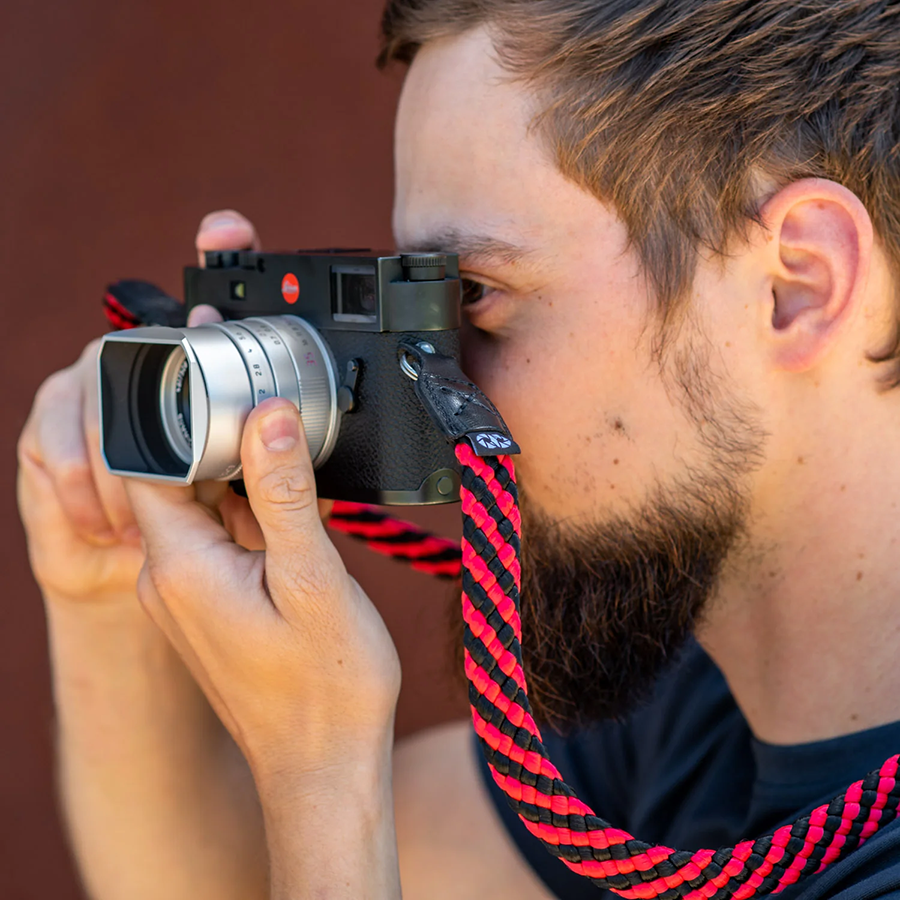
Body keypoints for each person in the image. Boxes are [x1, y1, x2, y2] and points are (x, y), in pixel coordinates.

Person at [17, 0, 900, 897]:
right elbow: (238, 881)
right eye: (416, 296)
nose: (428, 385)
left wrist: (325, 779)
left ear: (798, 283)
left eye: (474, 292)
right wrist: (103, 580)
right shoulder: (695, 698)